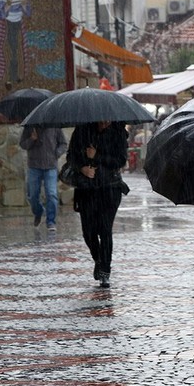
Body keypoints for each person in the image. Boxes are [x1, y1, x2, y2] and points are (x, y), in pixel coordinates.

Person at [65, 121, 129, 288]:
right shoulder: (82, 130)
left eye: (108, 118)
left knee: (105, 229)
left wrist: (97, 156)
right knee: (89, 232)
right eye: (102, 118)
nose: (105, 121)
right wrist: (82, 168)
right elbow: (71, 156)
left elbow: (120, 161)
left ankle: (105, 271)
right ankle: (98, 259)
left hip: (110, 187)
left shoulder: (118, 132)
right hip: (87, 189)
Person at [19, 125, 67, 231]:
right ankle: (38, 212)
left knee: (52, 194)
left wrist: (57, 153)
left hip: (50, 166)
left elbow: (63, 144)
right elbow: (23, 144)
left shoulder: (55, 126)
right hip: (34, 166)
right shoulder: (29, 127)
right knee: (32, 195)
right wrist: (32, 139)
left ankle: (51, 221)